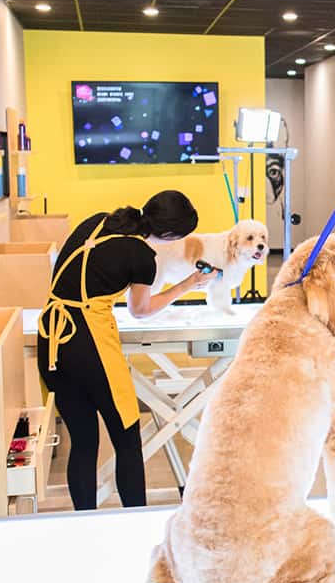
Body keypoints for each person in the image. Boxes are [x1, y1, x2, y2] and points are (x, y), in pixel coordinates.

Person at [37, 190, 211, 511]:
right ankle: (135, 521)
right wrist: (187, 285)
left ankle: (84, 521)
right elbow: (141, 310)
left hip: (52, 337)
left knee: (84, 442)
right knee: (128, 440)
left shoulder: (97, 221)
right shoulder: (142, 256)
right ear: (170, 234)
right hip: (89, 344)